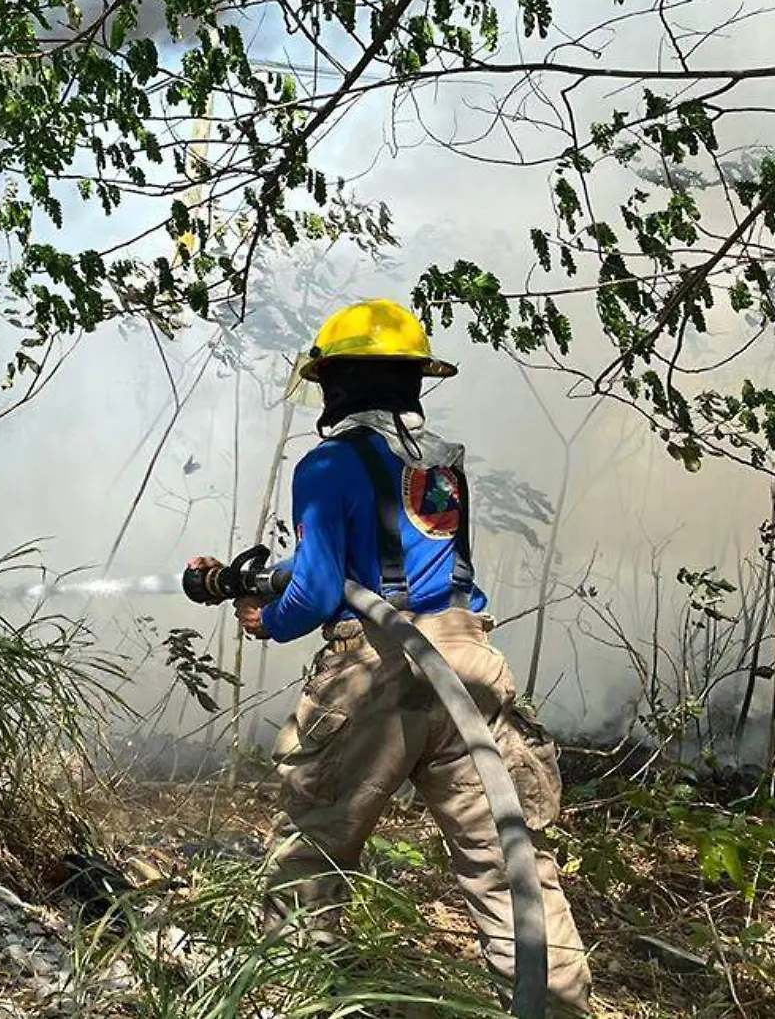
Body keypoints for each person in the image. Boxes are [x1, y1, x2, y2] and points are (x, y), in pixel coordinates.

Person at [189, 299, 594, 1014]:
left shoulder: (327, 463)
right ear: (410, 381)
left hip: (379, 669)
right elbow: (396, 562)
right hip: (469, 664)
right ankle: (555, 1006)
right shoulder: (437, 466)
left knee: (311, 862)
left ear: (336, 383)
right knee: (511, 871)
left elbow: (318, 591)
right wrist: (267, 576)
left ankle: (294, 998)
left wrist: (269, 618)